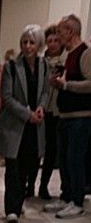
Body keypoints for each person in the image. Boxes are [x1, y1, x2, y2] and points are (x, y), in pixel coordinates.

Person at [0, 25, 49, 223]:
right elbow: (7, 97)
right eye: (24, 42)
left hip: (35, 127)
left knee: (27, 165)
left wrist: (41, 107)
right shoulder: (11, 67)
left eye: (32, 42)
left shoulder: (44, 65)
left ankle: (18, 201)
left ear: (39, 45)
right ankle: (11, 210)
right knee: (13, 168)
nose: (27, 46)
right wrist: (28, 115)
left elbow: (46, 91)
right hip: (15, 125)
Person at [44, 14, 91, 218]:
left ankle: (77, 201)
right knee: (63, 158)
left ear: (71, 32)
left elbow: (90, 83)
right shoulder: (69, 54)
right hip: (65, 115)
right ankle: (66, 196)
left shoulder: (85, 53)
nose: (58, 35)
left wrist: (67, 85)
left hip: (80, 116)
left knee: (75, 159)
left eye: (60, 31)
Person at [37, 25, 65, 199]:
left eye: (56, 40)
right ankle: (29, 185)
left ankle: (44, 186)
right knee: (37, 148)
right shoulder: (40, 61)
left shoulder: (65, 60)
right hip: (42, 108)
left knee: (52, 150)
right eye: (50, 41)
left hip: (57, 110)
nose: (53, 44)